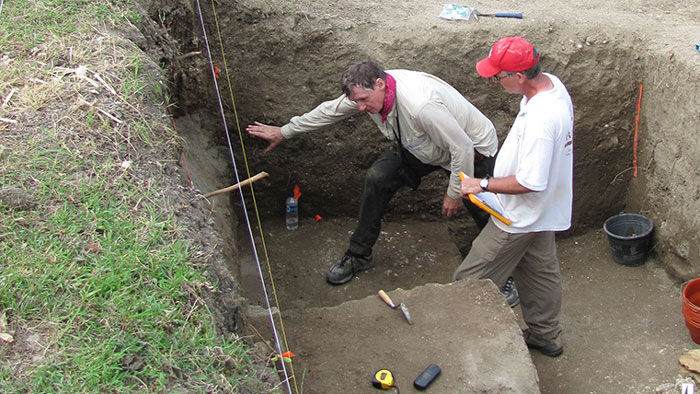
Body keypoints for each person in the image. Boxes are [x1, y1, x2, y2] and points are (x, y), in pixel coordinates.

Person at [247, 60, 505, 288]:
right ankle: (359, 255)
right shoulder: (368, 93)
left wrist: (453, 194)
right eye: (355, 101)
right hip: (419, 144)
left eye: (363, 101)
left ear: (380, 84)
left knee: (484, 209)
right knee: (378, 178)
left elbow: (461, 146)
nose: (359, 108)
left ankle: (503, 272)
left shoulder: (421, 105)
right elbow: (329, 111)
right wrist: (284, 131)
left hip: (471, 153)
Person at [452, 37, 574, 357]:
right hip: (544, 211)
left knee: (468, 281)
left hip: (518, 215)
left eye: (498, 76)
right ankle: (545, 335)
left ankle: (465, 343)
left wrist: (483, 184)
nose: (495, 81)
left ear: (519, 77)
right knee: (539, 272)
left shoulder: (541, 119)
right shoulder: (552, 86)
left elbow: (531, 182)